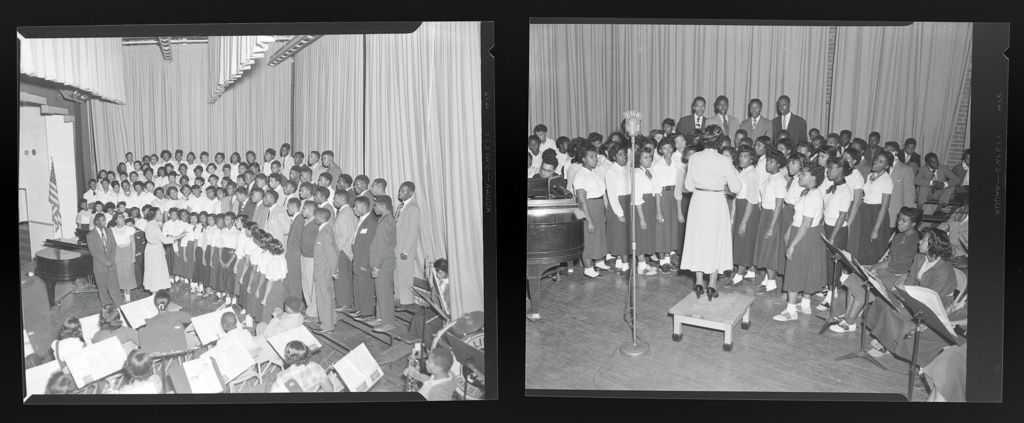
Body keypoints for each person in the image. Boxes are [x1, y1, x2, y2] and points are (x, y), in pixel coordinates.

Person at [862, 228, 958, 360]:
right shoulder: (919, 257)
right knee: (883, 299)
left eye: (923, 239)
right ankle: (884, 336)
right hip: (916, 294)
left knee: (897, 311)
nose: (919, 241)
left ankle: (888, 345)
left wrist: (906, 301)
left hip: (935, 303)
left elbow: (931, 296)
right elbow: (911, 279)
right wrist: (902, 295)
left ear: (933, 245)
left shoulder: (943, 270)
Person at [832, 206, 922, 333]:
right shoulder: (898, 236)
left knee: (866, 285)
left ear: (913, 224)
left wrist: (906, 275)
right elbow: (890, 260)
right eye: (899, 219)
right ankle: (848, 315)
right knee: (855, 274)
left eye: (904, 221)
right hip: (888, 270)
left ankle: (849, 322)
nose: (899, 223)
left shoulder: (917, 242)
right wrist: (876, 267)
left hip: (898, 276)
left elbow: (918, 267)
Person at [679, 125, 742, 301]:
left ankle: (698, 282)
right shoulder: (724, 160)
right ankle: (712, 286)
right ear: (720, 141)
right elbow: (736, 187)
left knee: (699, 241)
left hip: (698, 201)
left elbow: (689, 186)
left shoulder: (695, 158)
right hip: (716, 202)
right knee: (715, 242)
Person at [773, 164, 827, 321]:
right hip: (807, 233)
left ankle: (791, 311)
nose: (800, 176)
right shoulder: (810, 192)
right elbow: (800, 218)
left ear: (813, 178)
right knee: (807, 269)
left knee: (794, 270)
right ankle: (805, 305)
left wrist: (792, 245)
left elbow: (805, 224)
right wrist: (790, 230)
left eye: (803, 174)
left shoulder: (812, 196)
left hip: (805, 235)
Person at [572, 143, 611, 278]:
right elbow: (582, 201)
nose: (595, 159)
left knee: (599, 236)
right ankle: (588, 269)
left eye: (596, 156)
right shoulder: (581, 176)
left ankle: (599, 261)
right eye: (591, 156)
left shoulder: (592, 174)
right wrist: (589, 221)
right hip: (590, 208)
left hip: (598, 207)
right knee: (589, 238)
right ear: (583, 159)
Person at [855, 151, 895, 265]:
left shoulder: (887, 181)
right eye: (876, 159)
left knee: (871, 248)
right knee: (860, 245)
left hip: (876, 214)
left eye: (880, 162)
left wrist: (875, 230)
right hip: (864, 211)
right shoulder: (869, 175)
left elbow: (885, 207)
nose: (876, 162)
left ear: (886, 166)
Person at [651, 138, 685, 273]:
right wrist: (658, 210)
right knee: (662, 228)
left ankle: (667, 259)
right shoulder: (657, 165)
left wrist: (679, 210)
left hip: (674, 197)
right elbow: (657, 189)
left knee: (671, 229)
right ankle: (662, 261)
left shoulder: (677, 163)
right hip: (663, 197)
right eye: (665, 148)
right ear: (660, 150)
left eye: (670, 147)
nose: (668, 151)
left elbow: (679, 186)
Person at [367, 196, 398, 332]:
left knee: (385, 293)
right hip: (383, 262)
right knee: (380, 291)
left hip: (383, 264)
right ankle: (380, 317)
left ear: (382, 207)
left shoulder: (385, 223)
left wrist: (377, 267)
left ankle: (388, 321)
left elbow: (383, 248)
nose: (374, 208)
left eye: (375, 206)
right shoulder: (385, 219)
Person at [731, 145, 761, 284]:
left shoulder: (753, 174)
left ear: (752, 159)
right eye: (740, 156)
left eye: (745, 156)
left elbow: (752, 200)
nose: (741, 159)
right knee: (740, 241)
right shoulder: (743, 172)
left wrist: (744, 221)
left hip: (748, 210)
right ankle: (748, 272)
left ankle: (739, 275)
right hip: (741, 207)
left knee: (745, 241)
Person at [308, 208, 339, 332]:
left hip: (324, 271)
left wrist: (334, 271)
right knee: (327, 297)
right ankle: (331, 320)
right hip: (323, 270)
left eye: (315, 216)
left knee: (324, 298)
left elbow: (332, 254)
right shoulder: (325, 230)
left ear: (320, 218)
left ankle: (327, 325)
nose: (314, 218)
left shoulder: (325, 233)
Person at [631, 145, 660, 277]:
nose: (649, 160)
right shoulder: (637, 174)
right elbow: (636, 198)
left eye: (650, 157)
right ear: (639, 159)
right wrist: (641, 218)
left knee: (646, 235)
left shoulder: (648, 172)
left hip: (649, 205)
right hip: (641, 207)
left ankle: (643, 263)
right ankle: (641, 266)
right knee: (640, 236)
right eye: (646, 158)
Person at [350, 196, 380, 321]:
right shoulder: (362, 220)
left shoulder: (371, 222)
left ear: (363, 207)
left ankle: (367, 312)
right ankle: (359, 309)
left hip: (364, 261)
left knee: (365, 287)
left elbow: (370, 246)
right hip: (357, 258)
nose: (353, 209)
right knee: (357, 286)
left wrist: (365, 263)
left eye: (355, 207)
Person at [392, 182, 421, 308]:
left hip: (405, 250)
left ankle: (407, 301)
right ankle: (398, 297)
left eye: (403, 191)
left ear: (411, 193)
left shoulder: (413, 208)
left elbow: (413, 231)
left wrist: (406, 251)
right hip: (397, 248)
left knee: (405, 276)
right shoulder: (400, 206)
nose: (400, 193)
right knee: (397, 275)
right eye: (400, 190)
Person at [408, 258, 450, 345]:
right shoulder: (439, 282)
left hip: (444, 314)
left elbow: (447, 306)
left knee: (423, 321)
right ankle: (416, 344)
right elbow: (433, 298)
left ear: (447, 272)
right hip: (436, 309)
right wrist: (428, 302)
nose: (438, 275)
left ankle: (429, 346)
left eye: (440, 273)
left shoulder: (451, 285)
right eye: (437, 273)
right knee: (417, 316)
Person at [604, 142, 632, 272]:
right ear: (614, 157)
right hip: (618, 205)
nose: (624, 157)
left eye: (625, 154)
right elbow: (612, 196)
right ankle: (626, 267)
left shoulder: (624, 169)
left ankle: (620, 263)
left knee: (625, 235)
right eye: (620, 155)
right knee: (621, 237)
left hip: (627, 202)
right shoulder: (611, 172)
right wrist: (619, 213)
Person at [144, 208, 187, 293]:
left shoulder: (152, 224)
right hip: (154, 252)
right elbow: (164, 239)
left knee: (156, 273)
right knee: (156, 273)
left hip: (154, 249)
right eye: (160, 213)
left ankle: (156, 295)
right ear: (155, 215)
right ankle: (155, 297)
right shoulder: (153, 226)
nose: (162, 215)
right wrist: (179, 236)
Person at [268, 340, 334, 392]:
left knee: (268, 384)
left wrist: (269, 385)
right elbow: (330, 389)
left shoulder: (284, 375)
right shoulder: (316, 367)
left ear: (287, 358)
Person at [87, 214, 122, 307]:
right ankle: (106, 306)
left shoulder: (109, 231)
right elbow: (94, 252)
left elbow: (114, 246)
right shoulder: (90, 235)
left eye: (105, 220)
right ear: (96, 222)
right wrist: (106, 262)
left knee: (114, 285)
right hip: (100, 266)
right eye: (102, 220)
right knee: (102, 288)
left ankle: (119, 305)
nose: (104, 222)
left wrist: (110, 260)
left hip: (111, 264)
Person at [882, 142, 917, 232]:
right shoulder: (880, 167)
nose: (885, 153)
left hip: (894, 213)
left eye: (888, 151)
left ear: (896, 152)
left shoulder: (906, 169)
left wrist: (907, 216)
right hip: (879, 212)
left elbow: (909, 194)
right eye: (884, 151)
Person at [258, 239, 289, 324]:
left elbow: (270, 282)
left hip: (274, 287)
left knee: (269, 310)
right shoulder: (283, 257)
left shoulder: (272, 262)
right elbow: (285, 273)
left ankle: (268, 328)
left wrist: (265, 298)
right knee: (279, 308)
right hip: (281, 285)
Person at [110, 213, 137, 303]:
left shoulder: (130, 229)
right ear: (115, 220)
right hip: (117, 253)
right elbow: (111, 245)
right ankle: (125, 294)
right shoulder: (111, 230)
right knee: (120, 274)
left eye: (123, 217)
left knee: (128, 274)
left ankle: (128, 297)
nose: (122, 219)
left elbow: (133, 243)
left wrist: (133, 256)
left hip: (127, 252)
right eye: (120, 218)